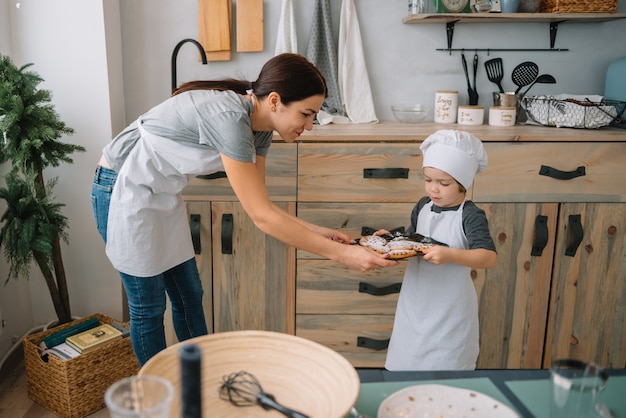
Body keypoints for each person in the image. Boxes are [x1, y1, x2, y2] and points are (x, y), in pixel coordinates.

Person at [91, 53, 396, 366]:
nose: (310, 126)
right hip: (121, 191)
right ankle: (156, 402)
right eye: (306, 114)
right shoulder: (230, 118)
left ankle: (198, 381)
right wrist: (343, 255)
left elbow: (262, 204)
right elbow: (261, 217)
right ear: (275, 100)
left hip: (160, 197)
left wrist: (321, 233)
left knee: (188, 297)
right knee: (149, 307)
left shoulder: (260, 128)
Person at [383, 129, 497, 371]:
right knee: (406, 364)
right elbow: (412, 240)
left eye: (443, 183)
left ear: (462, 183)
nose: (433, 189)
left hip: (449, 311)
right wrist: (390, 239)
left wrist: (450, 254)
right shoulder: (423, 206)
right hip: (415, 304)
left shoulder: (470, 215)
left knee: (445, 370)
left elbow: (488, 257)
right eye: (428, 180)